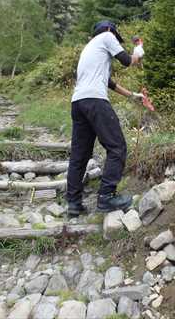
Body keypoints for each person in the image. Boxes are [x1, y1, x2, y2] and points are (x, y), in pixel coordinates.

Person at [66, 20, 144, 217]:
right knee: (117, 147)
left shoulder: (89, 50)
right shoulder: (106, 36)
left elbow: (108, 82)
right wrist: (138, 50)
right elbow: (127, 60)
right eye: (117, 37)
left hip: (78, 103)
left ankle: (74, 203)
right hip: (95, 101)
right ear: (110, 31)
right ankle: (106, 197)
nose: (115, 40)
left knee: (79, 155)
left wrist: (132, 95)